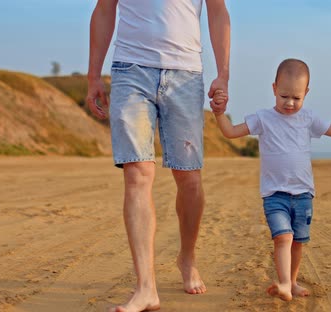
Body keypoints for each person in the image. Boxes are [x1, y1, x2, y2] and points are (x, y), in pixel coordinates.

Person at [85, 0, 230, 310]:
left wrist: (224, 74)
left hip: (185, 73)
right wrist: (93, 75)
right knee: (137, 174)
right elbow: (104, 8)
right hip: (130, 70)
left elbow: (218, 11)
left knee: (189, 177)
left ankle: (187, 258)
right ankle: (146, 287)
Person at [211, 58, 331, 301]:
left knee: (298, 242)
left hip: (303, 195)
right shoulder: (263, 118)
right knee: (283, 237)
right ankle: (283, 284)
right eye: (284, 96)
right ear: (274, 89)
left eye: (297, 98)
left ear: (306, 94)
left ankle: (292, 281)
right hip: (274, 194)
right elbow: (230, 132)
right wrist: (218, 113)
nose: (290, 103)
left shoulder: (308, 118)